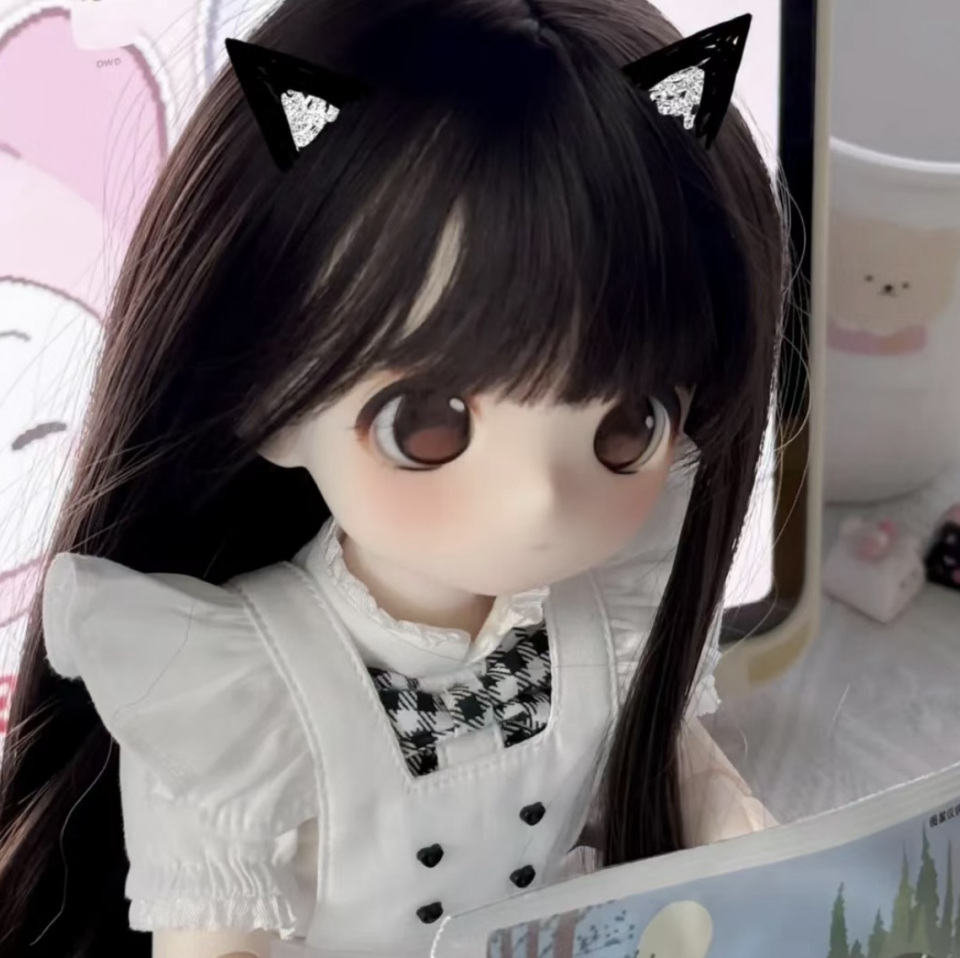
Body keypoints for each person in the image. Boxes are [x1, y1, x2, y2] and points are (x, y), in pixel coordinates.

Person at [0, 0, 786, 956]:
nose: (538, 498)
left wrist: (745, 838)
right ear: (271, 400)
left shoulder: (604, 620)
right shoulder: (234, 692)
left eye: (629, 425)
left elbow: (661, 749)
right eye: (428, 426)